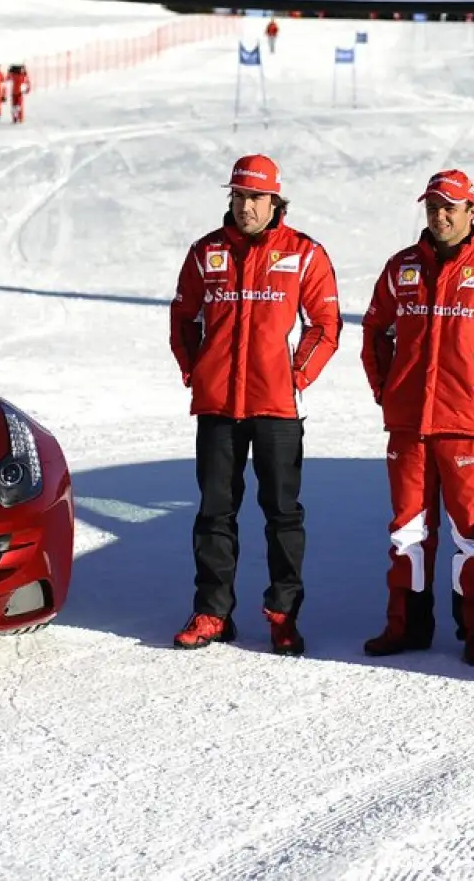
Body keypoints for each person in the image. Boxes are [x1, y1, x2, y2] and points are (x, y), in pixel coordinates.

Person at [359, 170, 474, 667]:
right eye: (433, 207)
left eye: (450, 208)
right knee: (408, 533)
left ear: (471, 212)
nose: (440, 216)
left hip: (467, 427)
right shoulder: (402, 269)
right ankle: (406, 627)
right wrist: (386, 390)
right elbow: (375, 329)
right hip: (409, 426)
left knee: (472, 536)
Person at [168, 155, 341, 656]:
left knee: (283, 514)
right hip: (219, 406)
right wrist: (195, 369)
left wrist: (297, 376)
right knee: (214, 514)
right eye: (239, 197)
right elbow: (184, 317)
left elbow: (325, 325)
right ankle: (212, 612)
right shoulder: (207, 252)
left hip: (278, 410)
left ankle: (283, 614)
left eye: (256, 198)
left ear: (275, 202)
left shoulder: (304, 254)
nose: (245, 206)